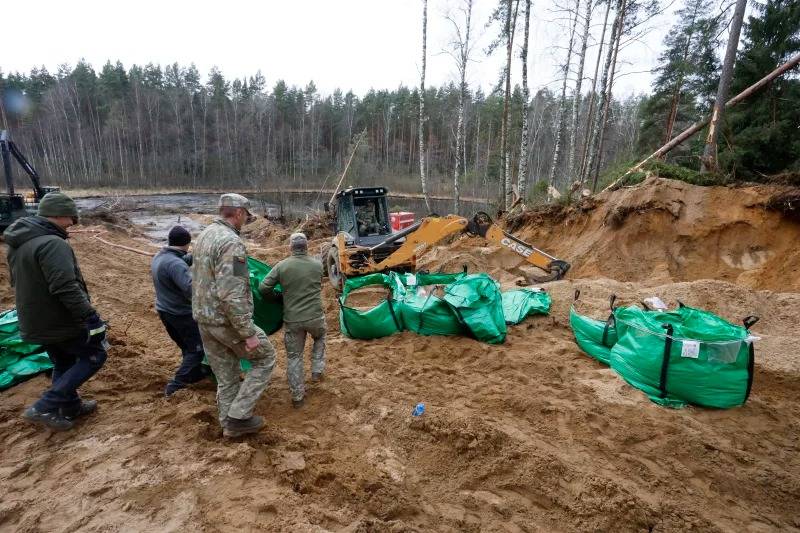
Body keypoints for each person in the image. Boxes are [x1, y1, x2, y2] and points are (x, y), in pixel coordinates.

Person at [4, 192, 108, 431]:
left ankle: (70, 406)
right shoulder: (53, 243)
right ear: (59, 215)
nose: (72, 223)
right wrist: (90, 316)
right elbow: (65, 286)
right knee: (94, 356)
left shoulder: (20, 242)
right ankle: (44, 406)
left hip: (35, 318)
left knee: (63, 360)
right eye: (71, 217)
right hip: (58, 319)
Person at [191, 193, 276, 438]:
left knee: (226, 375)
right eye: (246, 216)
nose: (245, 221)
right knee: (265, 358)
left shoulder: (205, 236)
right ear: (238, 213)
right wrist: (247, 332)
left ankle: (228, 424)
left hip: (204, 320)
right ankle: (239, 416)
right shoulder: (232, 244)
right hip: (226, 321)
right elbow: (233, 293)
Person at [259, 232, 325, 409]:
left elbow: (263, 287)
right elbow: (319, 283)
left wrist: (277, 297)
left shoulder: (282, 266)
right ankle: (317, 370)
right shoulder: (318, 265)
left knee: (294, 357)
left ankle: (298, 397)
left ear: (290, 247)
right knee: (320, 338)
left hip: (293, 319)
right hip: (315, 316)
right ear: (307, 247)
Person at [151, 225, 209, 396]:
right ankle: (176, 385)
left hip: (165, 311)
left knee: (187, 347)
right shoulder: (175, 264)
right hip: (180, 314)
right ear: (187, 243)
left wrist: (199, 255)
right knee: (197, 349)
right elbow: (192, 289)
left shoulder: (161, 256)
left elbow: (181, 262)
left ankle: (194, 373)